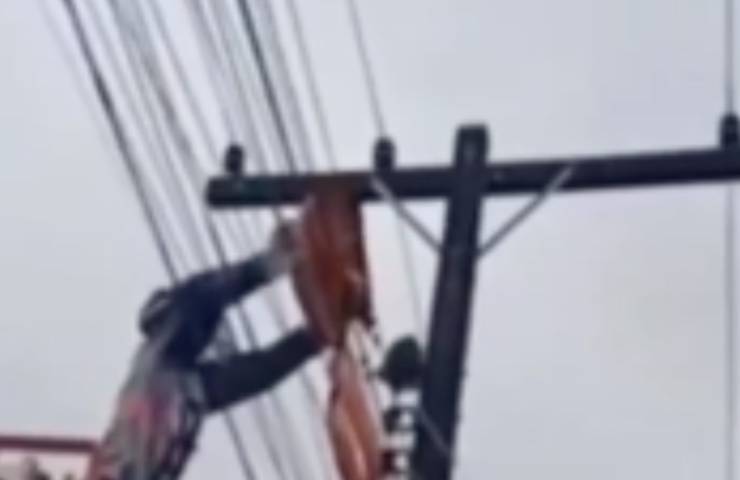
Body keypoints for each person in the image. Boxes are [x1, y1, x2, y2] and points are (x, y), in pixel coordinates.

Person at [87, 222, 323, 480]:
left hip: (168, 385)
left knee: (206, 306)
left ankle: (290, 279)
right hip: (176, 395)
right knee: (251, 365)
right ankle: (314, 327)